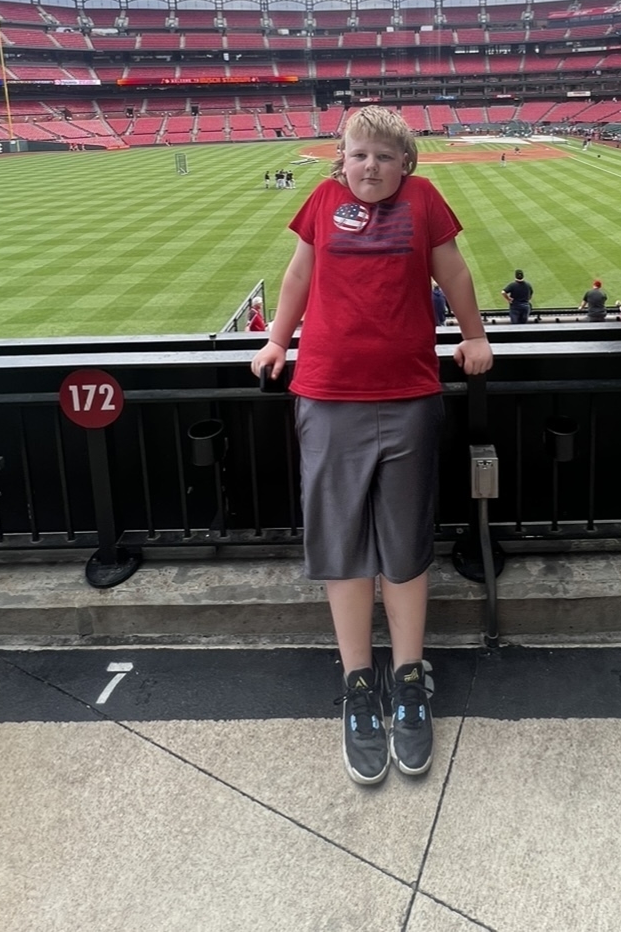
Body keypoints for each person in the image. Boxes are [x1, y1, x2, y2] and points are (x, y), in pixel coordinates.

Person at [250, 106, 492, 787]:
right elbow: (296, 277)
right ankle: (360, 684)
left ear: (405, 162)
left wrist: (472, 336)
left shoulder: (424, 202)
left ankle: (409, 677)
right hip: (326, 394)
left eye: (384, 156)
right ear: (341, 156)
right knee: (342, 547)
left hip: (409, 394)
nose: (370, 167)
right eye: (359, 154)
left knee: (405, 545)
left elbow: (454, 274)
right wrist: (275, 340)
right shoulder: (321, 200)